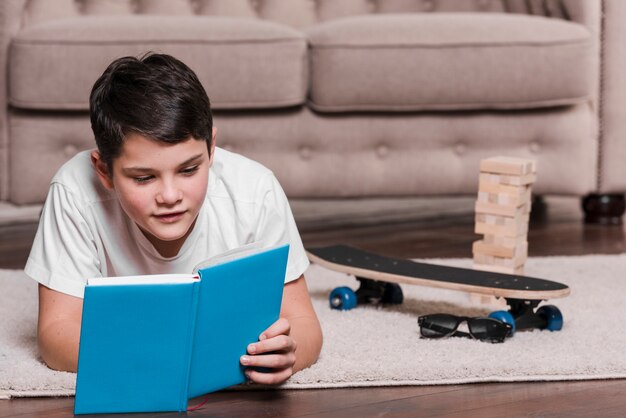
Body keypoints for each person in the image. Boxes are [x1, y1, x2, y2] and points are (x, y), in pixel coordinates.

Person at [24, 53, 322, 385]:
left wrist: (287, 354)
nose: (169, 196)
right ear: (104, 171)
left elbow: (303, 323)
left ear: (211, 150)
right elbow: (55, 335)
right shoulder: (74, 191)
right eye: (143, 178)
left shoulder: (256, 190)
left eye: (189, 170)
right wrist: (154, 356)